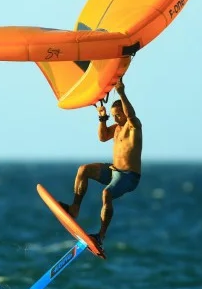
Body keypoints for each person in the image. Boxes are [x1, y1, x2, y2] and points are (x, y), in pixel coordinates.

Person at [59, 76, 142, 248]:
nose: (116, 118)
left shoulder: (133, 126)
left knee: (106, 194)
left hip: (129, 176)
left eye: (118, 115)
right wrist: (103, 118)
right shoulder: (117, 128)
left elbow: (131, 115)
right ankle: (75, 208)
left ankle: (100, 236)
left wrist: (121, 93)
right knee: (84, 169)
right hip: (114, 170)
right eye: (114, 116)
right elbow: (103, 137)